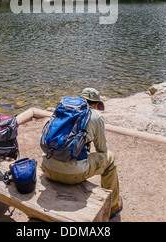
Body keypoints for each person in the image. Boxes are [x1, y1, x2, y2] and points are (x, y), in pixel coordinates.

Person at [41, 87, 122, 219]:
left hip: (47, 168)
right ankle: (113, 204)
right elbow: (102, 149)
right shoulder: (96, 115)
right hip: (73, 175)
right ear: (96, 104)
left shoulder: (64, 110)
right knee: (110, 159)